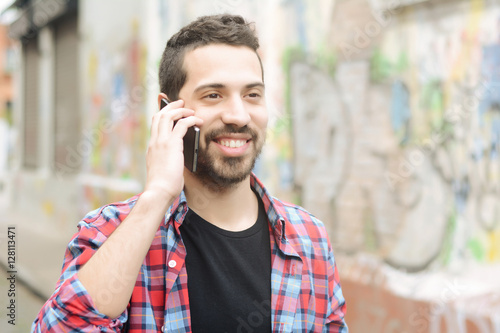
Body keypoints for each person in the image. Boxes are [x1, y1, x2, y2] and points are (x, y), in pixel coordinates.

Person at [32, 14, 347, 332]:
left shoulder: (309, 239)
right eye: (213, 95)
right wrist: (156, 197)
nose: (238, 115)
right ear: (168, 112)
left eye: (252, 95)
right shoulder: (109, 232)